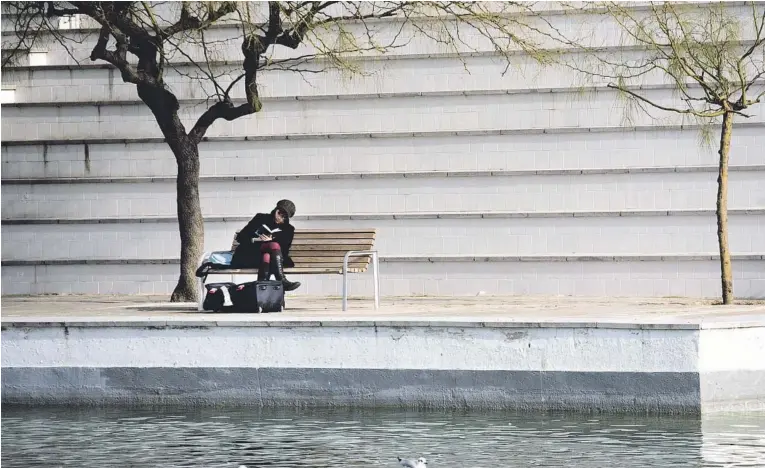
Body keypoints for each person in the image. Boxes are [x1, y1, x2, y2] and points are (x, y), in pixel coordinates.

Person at [230, 199, 301, 291]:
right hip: (252, 254)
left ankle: (262, 289)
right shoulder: (260, 218)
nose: (279, 217)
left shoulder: (288, 229)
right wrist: (256, 239)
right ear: (276, 209)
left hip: (272, 259)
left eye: (284, 216)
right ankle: (281, 280)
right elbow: (241, 237)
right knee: (270, 250)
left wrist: (273, 239)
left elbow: (285, 249)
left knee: (268, 254)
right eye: (279, 213)